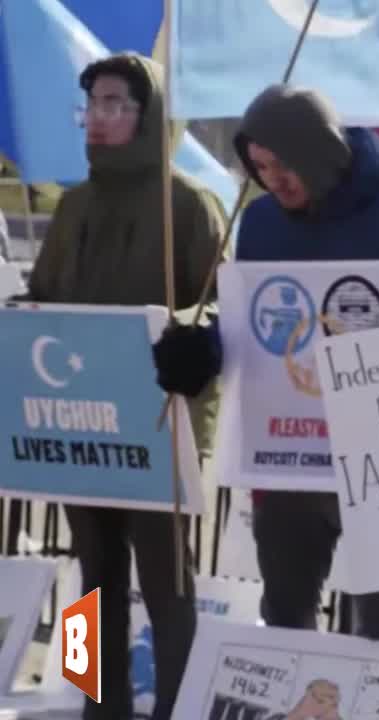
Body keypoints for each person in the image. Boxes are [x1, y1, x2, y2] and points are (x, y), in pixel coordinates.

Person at [152, 83, 379, 641]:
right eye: (260, 167)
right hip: (287, 460)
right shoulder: (260, 224)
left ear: (320, 154)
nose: (273, 180)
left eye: (285, 165)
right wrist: (203, 347)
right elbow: (246, 318)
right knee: (285, 616)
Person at [22, 52, 226, 720]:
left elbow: (223, 310)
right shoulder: (73, 205)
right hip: (79, 429)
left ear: (150, 115)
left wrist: (198, 343)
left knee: (168, 589)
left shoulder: (189, 206)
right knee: (89, 585)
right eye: (92, 107)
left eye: (115, 104)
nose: (99, 121)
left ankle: (178, 707)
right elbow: (44, 298)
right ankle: (93, 703)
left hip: (158, 427)